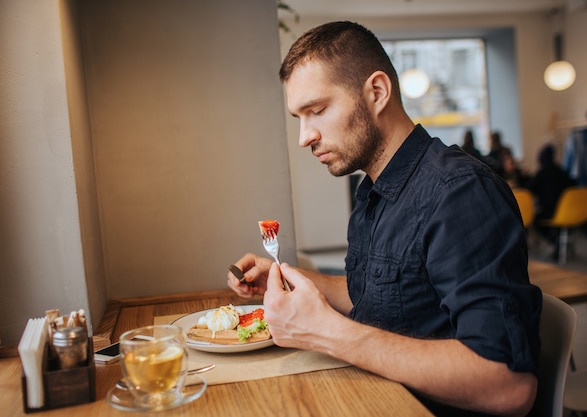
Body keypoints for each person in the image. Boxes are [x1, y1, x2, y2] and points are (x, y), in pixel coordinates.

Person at [227, 21, 541, 417]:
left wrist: (329, 334)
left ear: (377, 92)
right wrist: (289, 278)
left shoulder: (460, 193)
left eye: (317, 110)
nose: (305, 136)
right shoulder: (373, 192)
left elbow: (509, 386)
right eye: (299, 118)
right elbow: (379, 295)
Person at [528, 144, 575, 257]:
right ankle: (556, 240)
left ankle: (553, 241)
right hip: (568, 213)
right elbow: (573, 187)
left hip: (549, 212)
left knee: (535, 220)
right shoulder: (562, 172)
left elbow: (529, 189)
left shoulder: (541, 174)